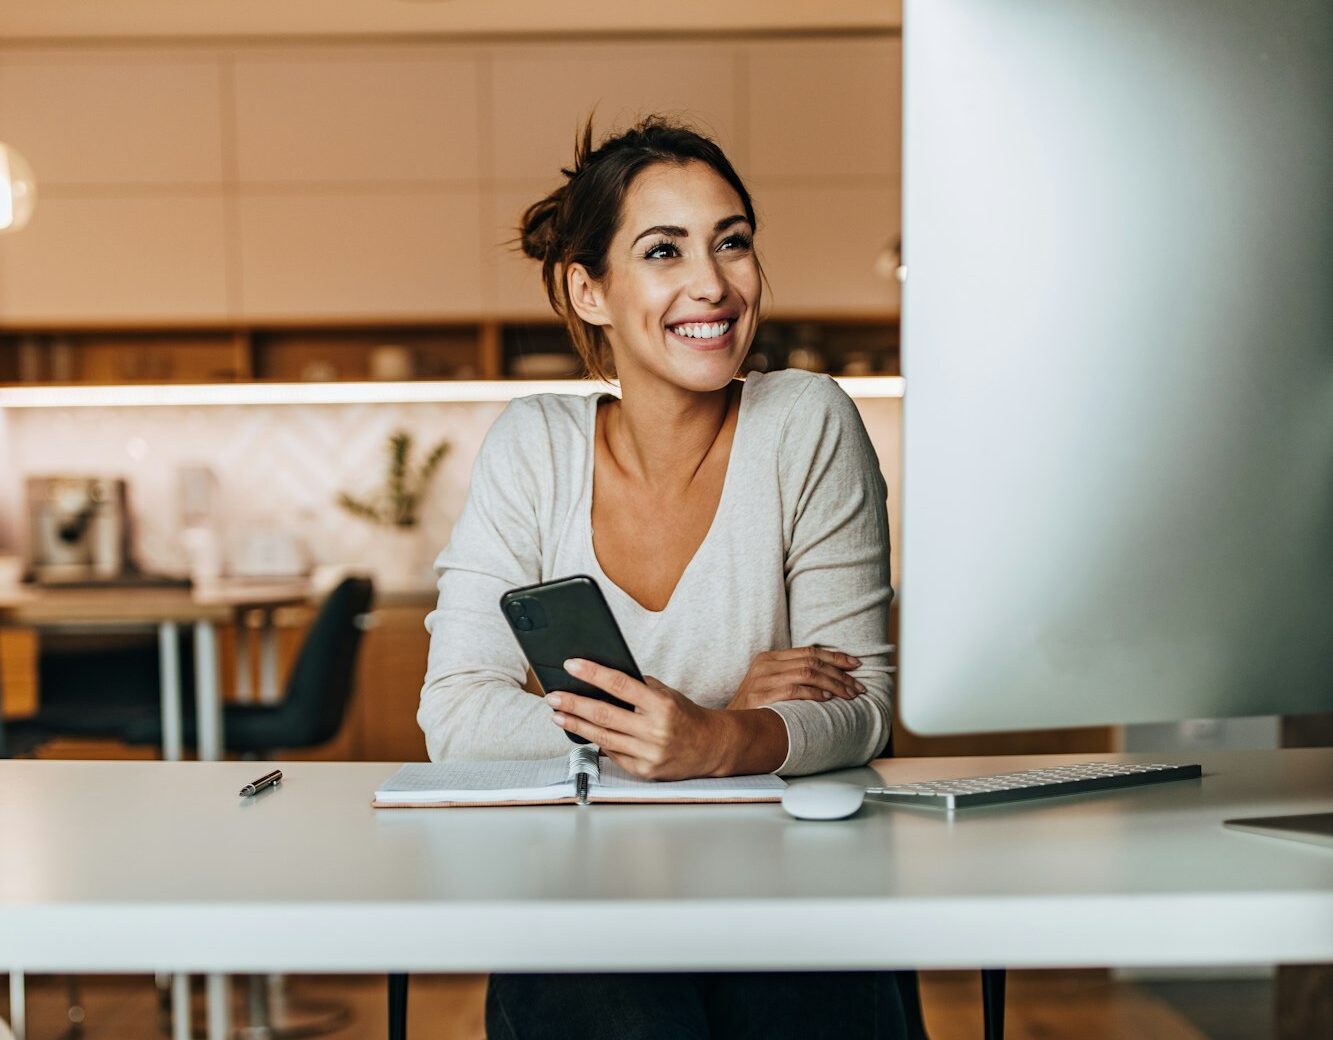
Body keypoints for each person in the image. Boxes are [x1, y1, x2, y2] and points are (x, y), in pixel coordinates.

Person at [419, 116, 905, 1039]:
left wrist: (711, 737)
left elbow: (862, 708)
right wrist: (723, 716)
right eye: (662, 250)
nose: (712, 284)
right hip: (584, 887)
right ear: (588, 289)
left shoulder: (805, 422)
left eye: (732, 242)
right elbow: (456, 719)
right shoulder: (534, 446)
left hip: (786, 881)